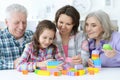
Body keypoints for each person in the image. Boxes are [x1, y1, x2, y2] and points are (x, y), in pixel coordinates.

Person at [0, 4, 33, 70]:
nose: (21, 27)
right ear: (7, 22)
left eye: (24, 22)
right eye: (16, 22)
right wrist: (13, 64)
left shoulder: (32, 36)